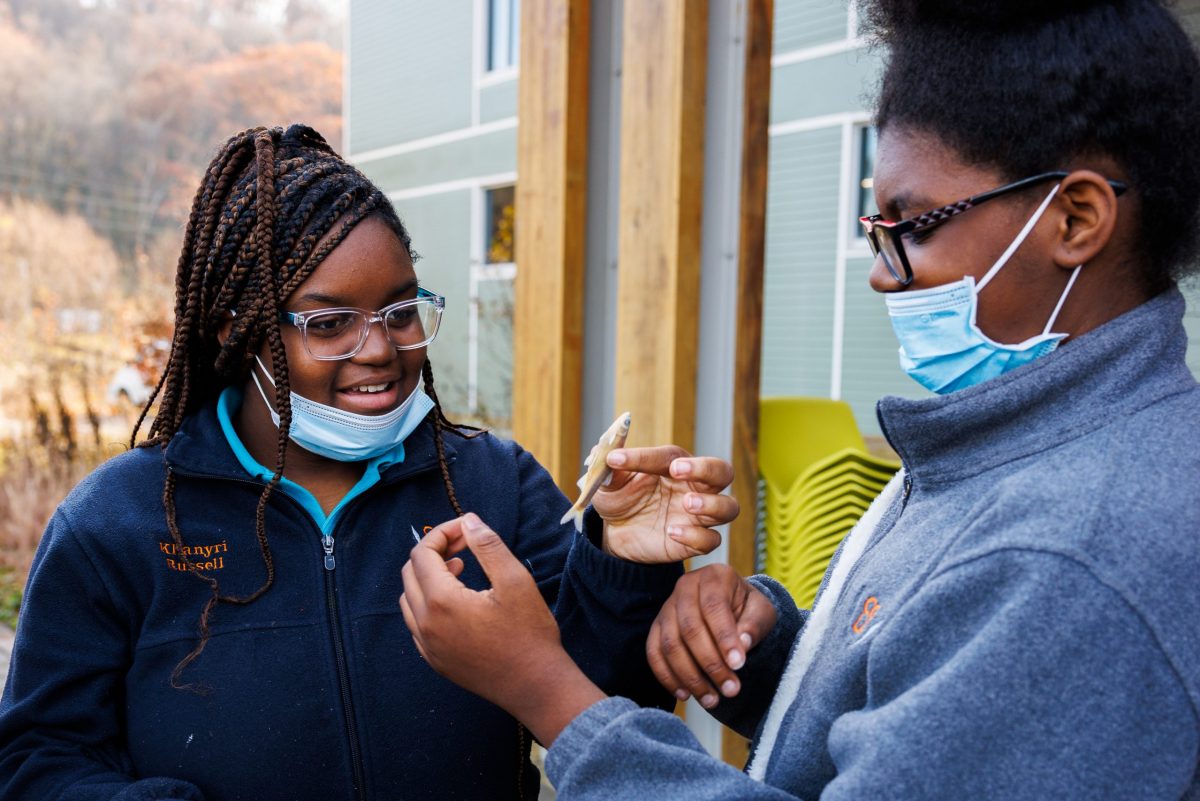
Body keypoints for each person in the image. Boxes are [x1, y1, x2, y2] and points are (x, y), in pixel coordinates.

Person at [399, 0, 1200, 798]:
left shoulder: (1070, 549)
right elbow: (937, 716)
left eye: (912, 225)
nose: (882, 272)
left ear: (1077, 217)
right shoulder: (1011, 446)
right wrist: (775, 652)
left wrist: (547, 689)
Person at [0, 124, 740, 801]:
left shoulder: (493, 483)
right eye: (329, 323)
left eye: (401, 309)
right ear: (236, 331)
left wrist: (623, 564)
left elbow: (601, 712)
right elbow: (36, 758)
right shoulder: (117, 523)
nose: (380, 347)